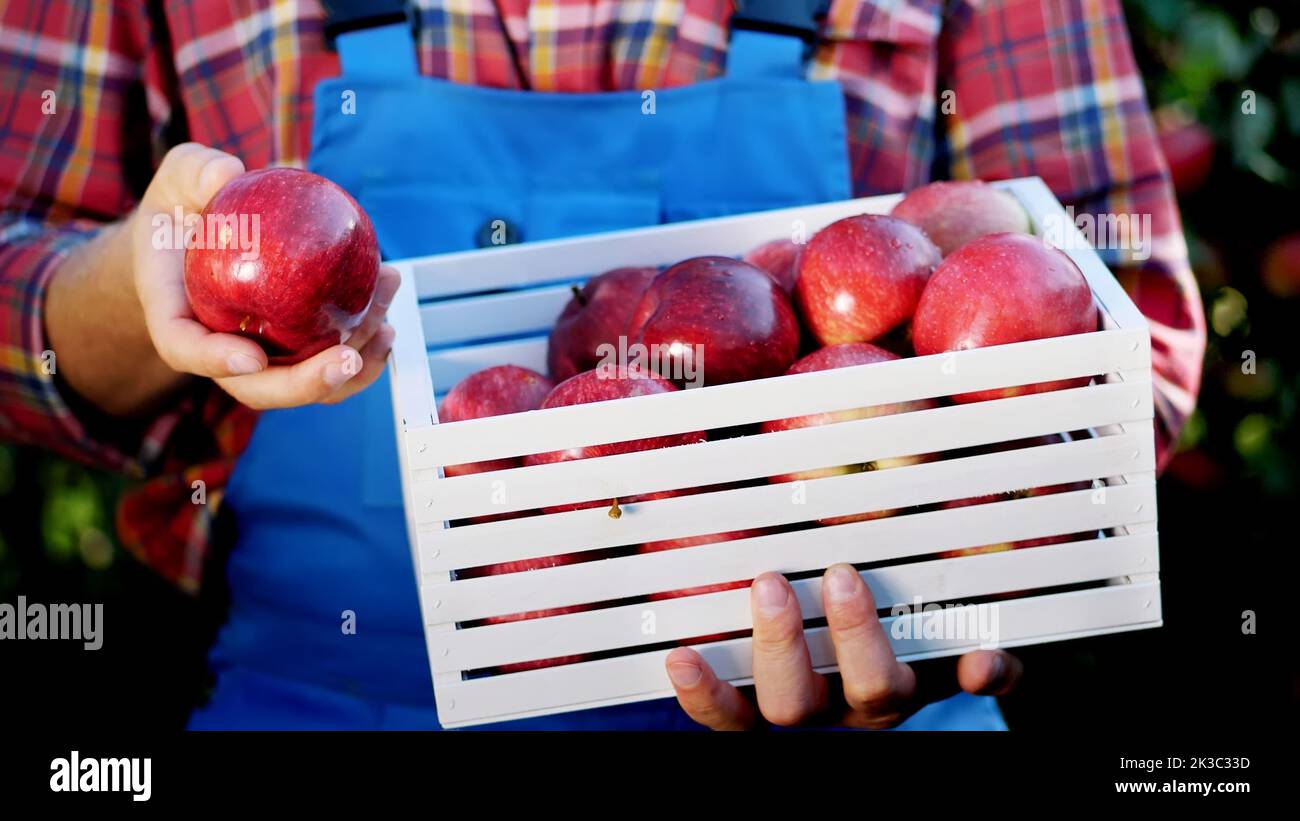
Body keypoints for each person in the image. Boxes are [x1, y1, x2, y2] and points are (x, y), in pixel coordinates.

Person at [0, 0, 1204, 730]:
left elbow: (1129, 338)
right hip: (333, 701)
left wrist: (935, 574)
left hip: (867, 675)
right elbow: (19, 313)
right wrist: (145, 279)